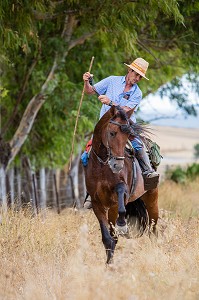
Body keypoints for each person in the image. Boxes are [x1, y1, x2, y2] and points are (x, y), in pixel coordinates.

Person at [82, 57, 159, 208]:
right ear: (129, 70)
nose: (137, 79)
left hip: (125, 127)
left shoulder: (137, 93)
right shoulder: (111, 81)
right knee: (86, 156)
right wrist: (86, 82)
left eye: (140, 77)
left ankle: (147, 172)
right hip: (105, 129)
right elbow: (90, 91)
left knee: (138, 146)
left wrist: (110, 102)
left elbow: (125, 111)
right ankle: (92, 193)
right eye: (135, 74)